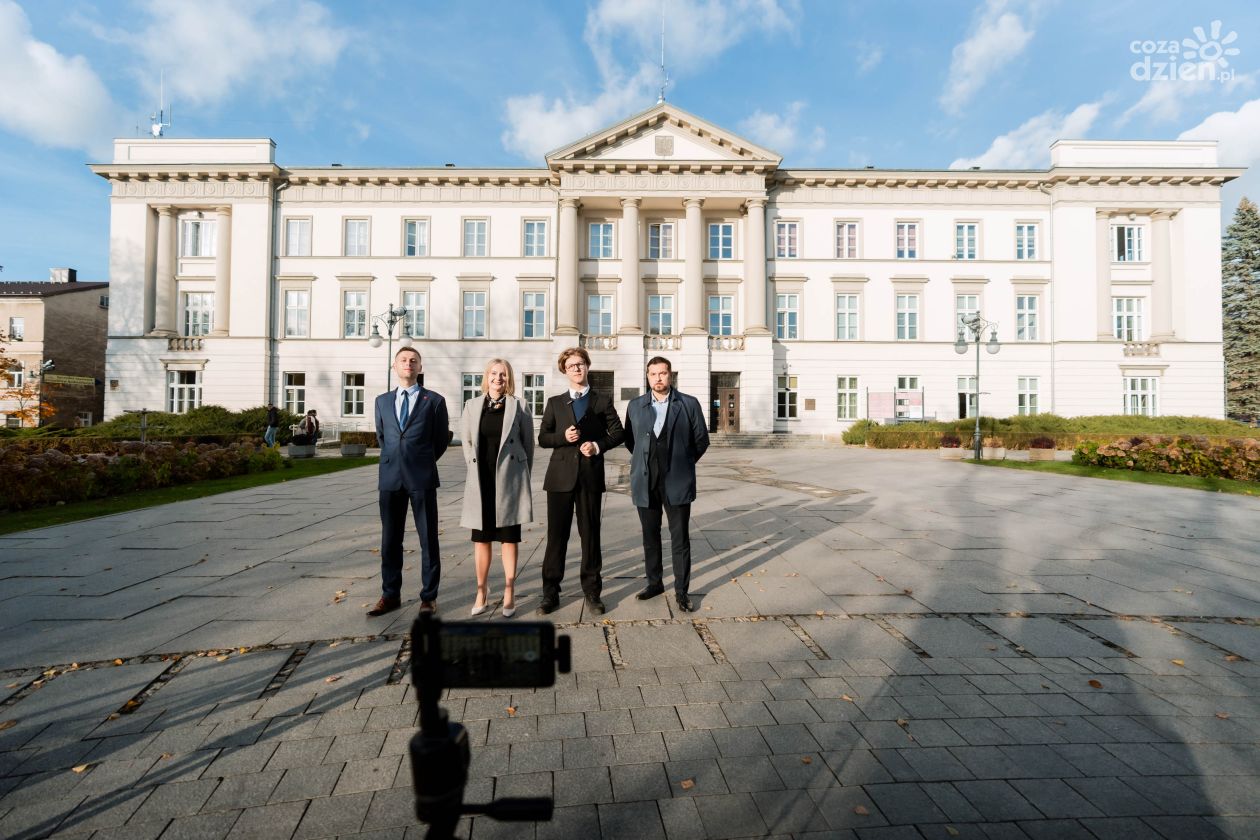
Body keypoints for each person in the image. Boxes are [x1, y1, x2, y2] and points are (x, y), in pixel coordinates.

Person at [537, 347, 623, 616]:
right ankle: (551, 593)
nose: (576, 368)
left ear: (587, 367)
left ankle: (592, 591)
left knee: (590, 536)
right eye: (571, 365)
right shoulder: (554, 402)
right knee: (556, 537)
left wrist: (597, 446)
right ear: (564, 370)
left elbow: (618, 433)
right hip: (559, 478)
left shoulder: (601, 401)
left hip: (589, 477)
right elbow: (543, 439)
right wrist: (563, 436)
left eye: (581, 364)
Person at [623, 356, 710, 612]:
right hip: (646, 481)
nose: (658, 378)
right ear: (647, 376)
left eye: (663, 373)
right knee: (650, 536)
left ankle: (682, 591)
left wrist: (684, 461)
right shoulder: (636, 405)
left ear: (670, 375)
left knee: (680, 538)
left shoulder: (688, 404)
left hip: (678, 481)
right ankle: (654, 583)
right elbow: (631, 440)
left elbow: (701, 440)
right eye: (653, 374)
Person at [369, 347, 449, 616]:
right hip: (390, 478)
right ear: (394, 366)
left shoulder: (434, 400)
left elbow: (440, 439)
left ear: (420, 368)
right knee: (390, 539)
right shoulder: (381, 401)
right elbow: (383, 437)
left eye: (413, 360)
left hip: (421, 477)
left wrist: (421, 459)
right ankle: (390, 594)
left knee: (428, 538)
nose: (408, 364)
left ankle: (429, 596)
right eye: (403, 360)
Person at [459, 359, 534, 618]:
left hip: (509, 481)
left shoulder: (520, 406)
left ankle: (510, 589)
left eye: (503, 374)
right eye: (493, 373)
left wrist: (521, 478)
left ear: (509, 378)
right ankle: (481, 590)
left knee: (509, 539)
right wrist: (472, 466)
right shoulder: (472, 406)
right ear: (486, 376)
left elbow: (528, 446)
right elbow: (466, 441)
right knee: (481, 540)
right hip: (482, 480)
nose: (498, 378)